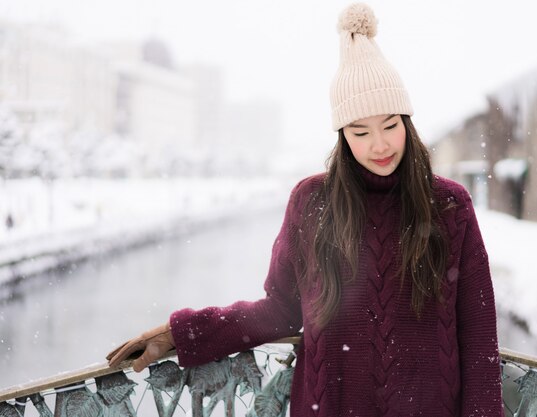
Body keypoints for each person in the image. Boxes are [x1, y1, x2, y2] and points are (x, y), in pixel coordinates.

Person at [108, 3, 503, 416]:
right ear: (342, 135)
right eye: (360, 131)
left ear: (408, 122)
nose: (380, 145)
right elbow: (279, 310)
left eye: (390, 125)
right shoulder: (312, 202)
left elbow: (478, 337)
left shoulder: (449, 206)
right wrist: (183, 332)